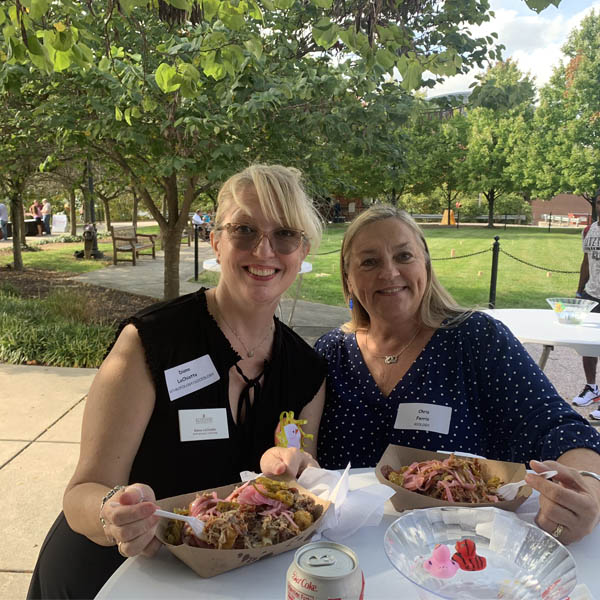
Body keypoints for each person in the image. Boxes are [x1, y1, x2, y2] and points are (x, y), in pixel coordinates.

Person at [27, 164, 326, 599]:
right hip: (109, 574)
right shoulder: (151, 342)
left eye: (285, 235)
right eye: (244, 230)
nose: (264, 250)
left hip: (215, 584)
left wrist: (298, 471)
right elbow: (82, 493)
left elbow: (297, 488)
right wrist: (112, 514)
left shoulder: (307, 372)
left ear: (302, 251)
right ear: (216, 242)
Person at [262, 205, 600, 545]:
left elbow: (562, 428)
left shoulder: (476, 340)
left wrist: (587, 490)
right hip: (346, 555)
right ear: (348, 278)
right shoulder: (331, 353)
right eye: (369, 262)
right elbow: (303, 456)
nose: (389, 272)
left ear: (425, 263)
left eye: (403, 256)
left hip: (452, 562)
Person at [572, 195, 600, 413]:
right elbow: (586, 262)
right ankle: (592, 388)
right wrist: (579, 290)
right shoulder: (589, 230)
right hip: (592, 295)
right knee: (588, 345)